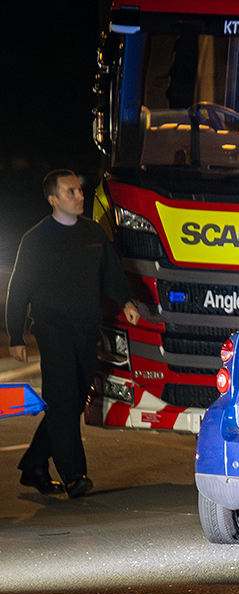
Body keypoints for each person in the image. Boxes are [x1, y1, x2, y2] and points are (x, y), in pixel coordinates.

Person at [6, 170, 140, 498]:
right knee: (64, 400)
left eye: (79, 191)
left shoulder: (93, 233)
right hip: (53, 330)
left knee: (77, 398)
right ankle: (74, 476)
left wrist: (126, 301)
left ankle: (34, 465)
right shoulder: (36, 240)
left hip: (85, 329)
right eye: (70, 192)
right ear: (53, 199)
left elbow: (111, 273)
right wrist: (15, 335)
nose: (80, 196)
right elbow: (18, 288)